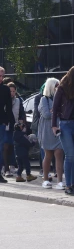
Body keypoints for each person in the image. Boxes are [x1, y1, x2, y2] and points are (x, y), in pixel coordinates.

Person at [38, 78, 64, 189]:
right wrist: (56, 111)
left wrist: (54, 111)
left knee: (59, 154)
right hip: (47, 130)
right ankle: (45, 179)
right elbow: (46, 114)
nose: (58, 87)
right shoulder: (44, 99)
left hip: (59, 129)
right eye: (56, 85)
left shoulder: (61, 99)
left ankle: (59, 181)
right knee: (48, 155)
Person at [52, 67, 74, 195]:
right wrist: (54, 126)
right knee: (70, 155)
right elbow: (55, 108)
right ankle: (68, 185)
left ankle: (72, 184)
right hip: (65, 124)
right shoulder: (62, 88)